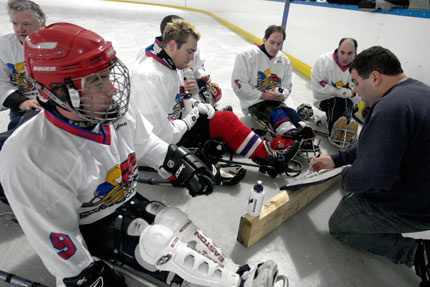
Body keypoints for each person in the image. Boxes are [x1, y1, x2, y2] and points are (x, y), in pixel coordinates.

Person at [0, 22, 288, 287]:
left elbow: (145, 143)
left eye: (108, 75)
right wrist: (83, 273)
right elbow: (55, 236)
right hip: (89, 223)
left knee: (176, 223)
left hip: (124, 197)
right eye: (97, 82)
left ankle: (238, 274)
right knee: (157, 244)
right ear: (58, 91)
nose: (113, 89)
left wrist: (177, 160)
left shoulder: (112, 108)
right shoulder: (29, 156)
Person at [309, 46, 430, 287]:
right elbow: (373, 144)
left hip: (417, 205)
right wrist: (337, 159)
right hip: (422, 185)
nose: (354, 90)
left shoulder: (388, 108)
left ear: (375, 77)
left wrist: (344, 175)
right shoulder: (418, 91)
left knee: (341, 224)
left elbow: (373, 178)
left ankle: (417, 254)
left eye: (355, 82)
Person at [131, 19, 300, 180]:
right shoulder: (149, 77)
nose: (191, 58)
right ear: (173, 45)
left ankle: (270, 158)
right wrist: (190, 120)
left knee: (225, 119)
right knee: (216, 140)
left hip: (175, 124)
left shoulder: (165, 57)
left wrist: (195, 105)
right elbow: (161, 136)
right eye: (189, 52)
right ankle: (263, 157)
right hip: (163, 143)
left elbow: (176, 98)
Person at [232, 25, 315, 147]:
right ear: (264, 39)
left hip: (276, 102)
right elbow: (238, 85)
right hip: (254, 102)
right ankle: (289, 133)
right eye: (272, 42)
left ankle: (303, 129)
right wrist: (262, 95)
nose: (275, 47)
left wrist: (282, 95)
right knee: (276, 112)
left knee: (289, 111)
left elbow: (287, 87)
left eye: (279, 44)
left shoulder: (285, 61)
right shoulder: (246, 56)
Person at [0, 0, 45, 131]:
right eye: (15, 24)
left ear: (42, 24)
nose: (20, 29)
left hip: (57, 105)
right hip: (23, 106)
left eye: (26, 24)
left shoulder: (58, 44)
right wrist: (22, 102)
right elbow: (1, 83)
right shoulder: (3, 47)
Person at [311, 38, 361, 146]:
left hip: (349, 103)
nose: (345, 57)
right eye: (342, 52)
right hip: (325, 101)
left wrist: (347, 94)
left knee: (346, 103)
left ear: (355, 54)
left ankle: (341, 130)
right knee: (338, 101)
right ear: (337, 49)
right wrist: (344, 92)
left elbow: (359, 97)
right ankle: (335, 129)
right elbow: (317, 91)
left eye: (349, 53)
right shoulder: (323, 61)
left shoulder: (360, 68)